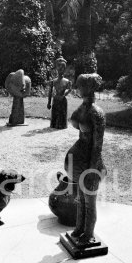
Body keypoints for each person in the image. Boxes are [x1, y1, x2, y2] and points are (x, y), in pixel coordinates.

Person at [64, 73, 106, 244]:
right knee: (80, 200)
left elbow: (97, 145)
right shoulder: (84, 108)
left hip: (91, 165)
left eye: (80, 86)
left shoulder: (97, 113)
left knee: (89, 202)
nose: (77, 89)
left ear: (89, 88)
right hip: (80, 164)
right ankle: (79, 228)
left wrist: (91, 169)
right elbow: (74, 118)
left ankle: (89, 234)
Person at [47, 57, 72, 129]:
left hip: (63, 100)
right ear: (56, 68)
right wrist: (49, 103)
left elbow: (70, 89)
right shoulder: (53, 81)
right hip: (56, 99)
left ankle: (62, 125)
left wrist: (64, 94)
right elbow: (50, 92)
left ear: (65, 69)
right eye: (59, 67)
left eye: (63, 68)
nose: (61, 69)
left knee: (62, 114)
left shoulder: (67, 81)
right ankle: (54, 124)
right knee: (55, 113)